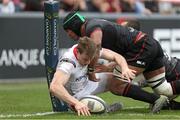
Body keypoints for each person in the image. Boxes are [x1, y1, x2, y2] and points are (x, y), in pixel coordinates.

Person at [62, 11, 175, 98]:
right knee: (164, 90)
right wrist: (107, 67)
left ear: (74, 26)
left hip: (142, 48)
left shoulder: (91, 27)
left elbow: (96, 46)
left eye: (68, 31)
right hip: (147, 45)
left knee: (115, 85)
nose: (68, 35)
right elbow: (119, 55)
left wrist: (90, 70)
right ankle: (169, 104)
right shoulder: (93, 24)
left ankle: (156, 100)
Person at [50, 36, 168, 116]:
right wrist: (76, 103)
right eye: (86, 59)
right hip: (75, 96)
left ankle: (148, 94)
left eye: (91, 59)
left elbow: (117, 57)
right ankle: (106, 108)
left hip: (87, 83)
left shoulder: (91, 50)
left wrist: (125, 69)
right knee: (97, 107)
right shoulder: (68, 62)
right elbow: (54, 87)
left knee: (116, 80)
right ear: (78, 52)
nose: (88, 62)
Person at [120, 19, 180, 110]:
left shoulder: (140, 46)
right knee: (160, 102)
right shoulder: (134, 44)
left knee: (123, 82)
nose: (117, 29)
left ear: (129, 30)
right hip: (167, 75)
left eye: (121, 28)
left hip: (175, 74)